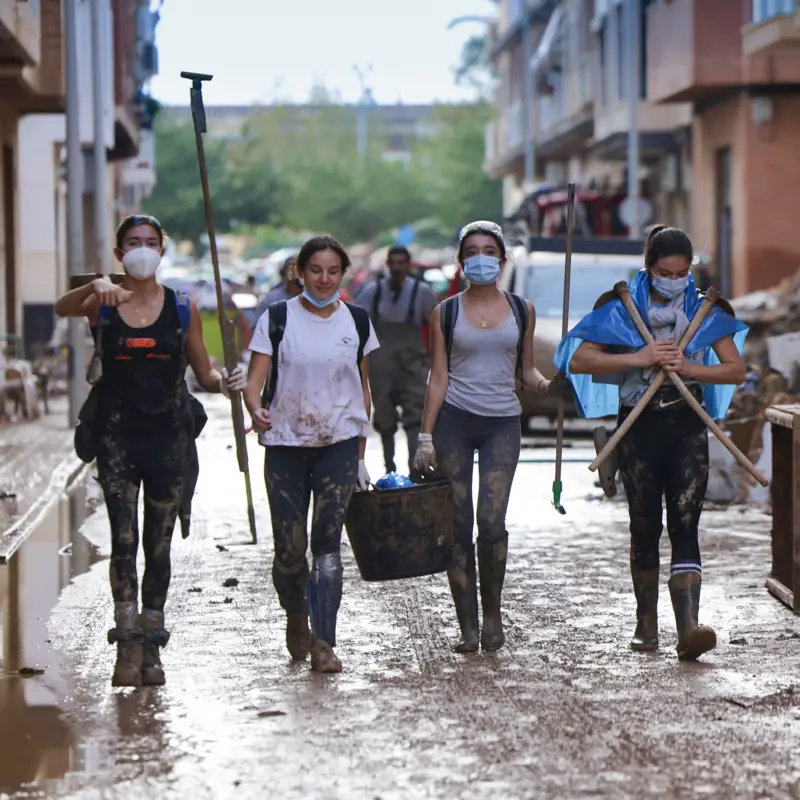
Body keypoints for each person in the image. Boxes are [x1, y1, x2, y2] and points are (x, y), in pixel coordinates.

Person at [54, 214, 246, 688]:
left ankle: (153, 641)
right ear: (120, 254)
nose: (143, 250)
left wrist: (227, 381)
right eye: (133, 243)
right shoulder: (101, 303)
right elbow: (61, 306)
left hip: (168, 440)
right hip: (117, 439)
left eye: (151, 243)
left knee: (158, 547)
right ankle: (126, 644)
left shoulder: (182, 308)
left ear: (163, 251)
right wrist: (99, 285)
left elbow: (204, 375)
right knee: (123, 541)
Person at [558, 225, 747, 661]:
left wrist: (688, 367)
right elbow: (581, 358)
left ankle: (689, 629)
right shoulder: (622, 308)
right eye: (665, 272)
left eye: (682, 273)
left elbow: (736, 370)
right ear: (649, 267)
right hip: (638, 426)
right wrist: (640, 357)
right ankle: (646, 622)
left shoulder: (705, 311)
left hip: (686, 425)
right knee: (643, 526)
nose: (674, 281)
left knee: (686, 522)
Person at [412, 221, 569, 654]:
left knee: (492, 521)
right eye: (472, 251)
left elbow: (526, 370)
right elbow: (438, 377)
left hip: (503, 422)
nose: (481, 257)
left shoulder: (523, 309)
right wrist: (426, 436)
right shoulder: (444, 312)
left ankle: (493, 615)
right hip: (455, 422)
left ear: (501, 260)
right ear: (462, 262)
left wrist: (547, 386)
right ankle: (466, 625)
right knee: (457, 523)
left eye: (489, 250)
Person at [243, 235, 378, 674]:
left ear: (342, 274)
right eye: (315, 270)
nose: (324, 279)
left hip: (337, 444)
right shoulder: (277, 318)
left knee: (327, 547)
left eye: (333, 271)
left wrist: (359, 454)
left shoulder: (356, 321)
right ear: (299, 272)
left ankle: (325, 641)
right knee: (290, 547)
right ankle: (295, 614)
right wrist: (255, 409)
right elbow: (253, 381)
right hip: (285, 445)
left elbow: (363, 389)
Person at [356, 246, 437, 474]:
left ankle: (414, 466)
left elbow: (435, 324)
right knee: (384, 415)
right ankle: (388, 465)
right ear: (388, 265)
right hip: (381, 364)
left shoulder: (421, 292)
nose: (398, 267)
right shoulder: (373, 292)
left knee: (415, 412)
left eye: (402, 263)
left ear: (409, 265)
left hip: (413, 363)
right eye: (394, 262)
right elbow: (358, 323)